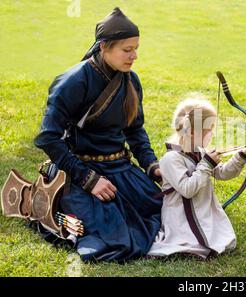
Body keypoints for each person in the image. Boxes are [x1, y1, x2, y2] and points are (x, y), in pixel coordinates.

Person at [34, 7, 162, 262]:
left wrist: (151, 165)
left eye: (136, 48)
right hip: (80, 172)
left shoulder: (131, 81)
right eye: (127, 50)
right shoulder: (73, 82)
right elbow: (49, 138)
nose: (134, 56)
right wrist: (88, 180)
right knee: (115, 237)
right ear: (103, 46)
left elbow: (135, 130)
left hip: (120, 168)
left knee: (160, 208)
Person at [148, 97, 246, 259]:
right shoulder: (170, 159)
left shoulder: (200, 152)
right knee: (191, 244)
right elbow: (187, 190)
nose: (212, 133)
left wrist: (241, 157)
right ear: (192, 132)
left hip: (202, 212)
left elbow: (222, 173)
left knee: (218, 240)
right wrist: (206, 164)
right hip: (181, 219)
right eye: (209, 129)